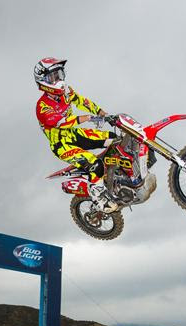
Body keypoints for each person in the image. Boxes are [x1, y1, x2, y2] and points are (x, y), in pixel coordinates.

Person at [34, 57, 119, 213]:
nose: (58, 79)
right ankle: (98, 198)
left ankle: (116, 176)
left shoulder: (66, 92)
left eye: (59, 74)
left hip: (74, 134)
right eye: (53, 76)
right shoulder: (42, 106)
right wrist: (86, 118)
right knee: (95, 164)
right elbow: (61, 122)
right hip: (62, 145)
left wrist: (104, 114)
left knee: (114, 139)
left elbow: (82, 101)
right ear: (43, 80)